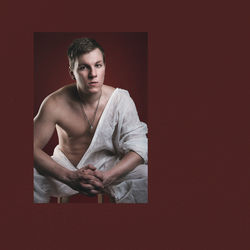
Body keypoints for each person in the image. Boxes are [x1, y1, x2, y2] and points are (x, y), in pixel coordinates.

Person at [34, 37, 148, 203]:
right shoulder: (55, 103)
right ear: (72, 72)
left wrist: (108, 176)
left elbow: (140, 147)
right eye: (83, 67)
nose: (93, 74)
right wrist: (70, 176)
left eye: (98, 65)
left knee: (147, 176)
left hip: (108, 166)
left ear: (104, 67)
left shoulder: (121, 99)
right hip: (65, 167)